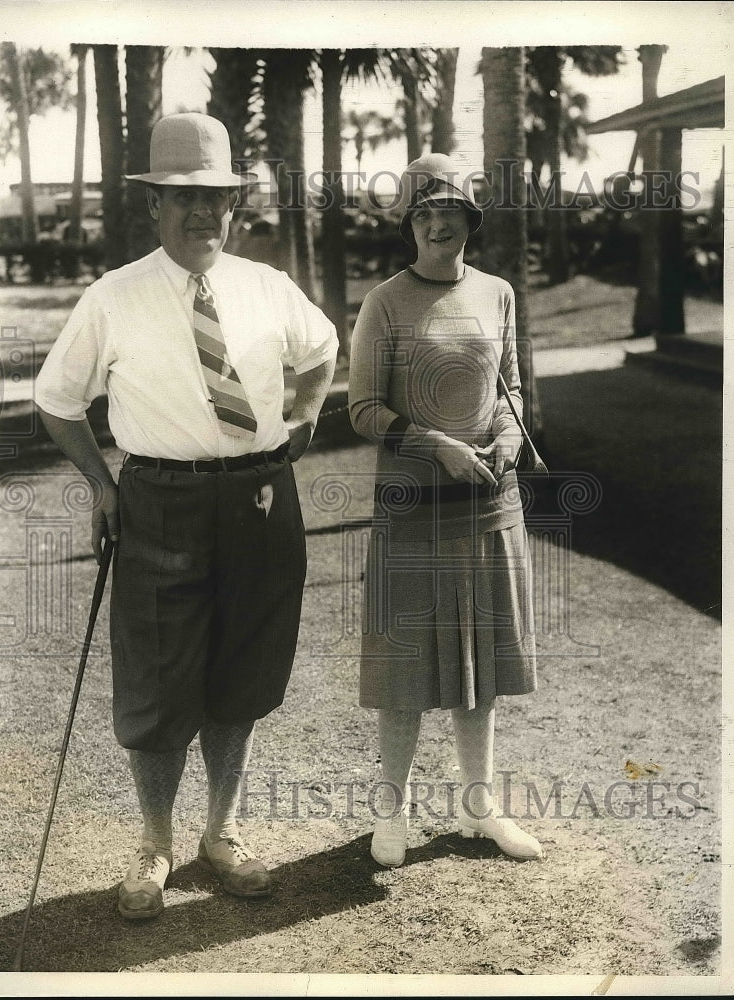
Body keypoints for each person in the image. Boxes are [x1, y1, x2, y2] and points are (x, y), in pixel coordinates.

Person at [35, 112, 338, 918]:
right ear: (154, 206)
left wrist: (302, 422)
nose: (203, 214)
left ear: (234, 205)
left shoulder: (266, 287)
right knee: (161, 678)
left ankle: (222, 832)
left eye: (218, 198)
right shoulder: (113, 297)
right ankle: (155, 843)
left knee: (244, 669)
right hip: (159, 499)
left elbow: (320, 349)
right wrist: (104, 487)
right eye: (184, 198)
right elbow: (57, 402)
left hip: (262, 498)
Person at [348, 153, 541, 867]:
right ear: (410, 225)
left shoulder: (497, 292)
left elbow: (511, 390)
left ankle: (477, 809)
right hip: (412, 507)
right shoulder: (385, 301)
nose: (439, 225)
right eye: (426, 214)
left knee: (480, 665)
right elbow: (362, 409)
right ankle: (391, 814)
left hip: (489, 505)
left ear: (469, 223)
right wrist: (435, 445)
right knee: (405, 670)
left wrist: (509, 434)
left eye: (451, 214)